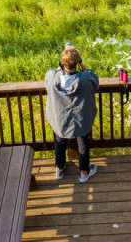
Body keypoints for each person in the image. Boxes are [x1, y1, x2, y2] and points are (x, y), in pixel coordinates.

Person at [45, 43, 99, 183]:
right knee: (83, 142)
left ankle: (60, 169)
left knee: (60, 140)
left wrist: (63, 62)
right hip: (80, 117)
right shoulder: (85, 79)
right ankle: (83, 173)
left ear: (63, 63)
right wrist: (80, 61)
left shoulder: (53, 77)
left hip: (60, 117)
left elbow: (53, 73)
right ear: (77, 62)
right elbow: (92, 77)